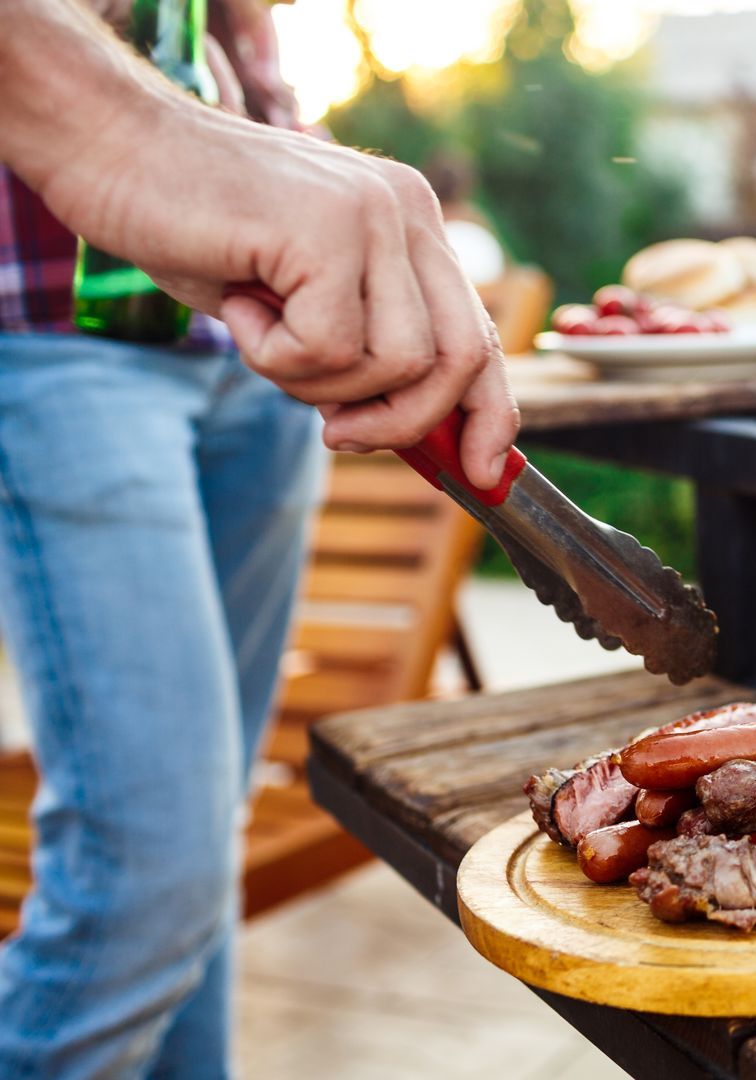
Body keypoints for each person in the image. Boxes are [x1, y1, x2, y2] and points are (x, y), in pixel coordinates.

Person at [0, 0, 521, 1075]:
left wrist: (291, 157)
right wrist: (124, 125)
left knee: (202, 839)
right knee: (149, 876)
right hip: (54, 313)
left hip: (241, 328)